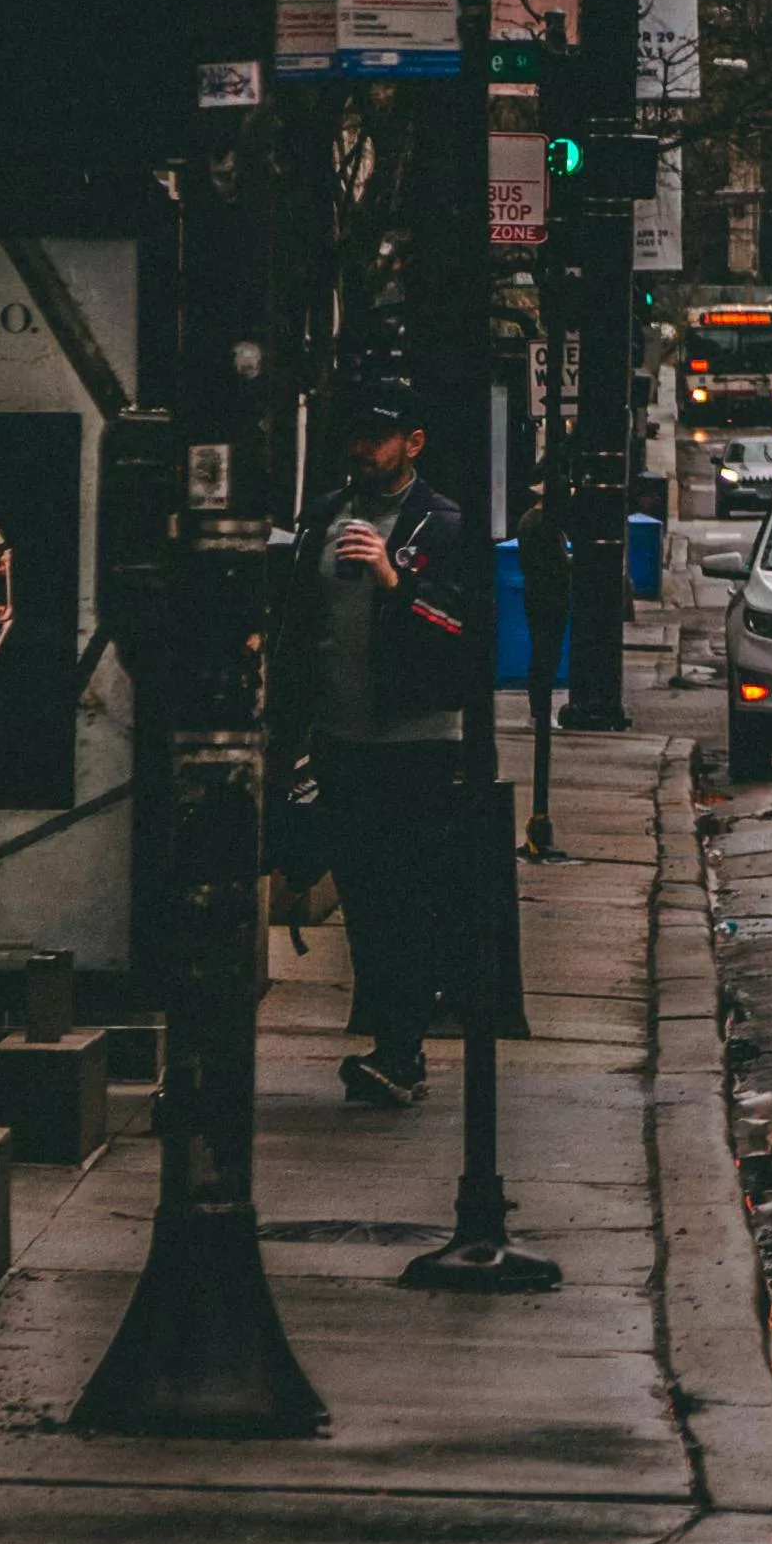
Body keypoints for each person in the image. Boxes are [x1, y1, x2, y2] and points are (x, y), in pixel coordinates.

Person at [292, 389, 491, 1106]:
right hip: (341, 738)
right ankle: (386, 1039)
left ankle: (403, 1050)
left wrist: (393, 580)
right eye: (358, 437)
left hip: (415, 742)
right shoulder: (324, 517)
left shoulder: (445, 524)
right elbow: (302, 620)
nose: (364, 450)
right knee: (363, 898)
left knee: (407, 894)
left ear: (414, 443)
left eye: (381, 438)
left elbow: (467, 632)